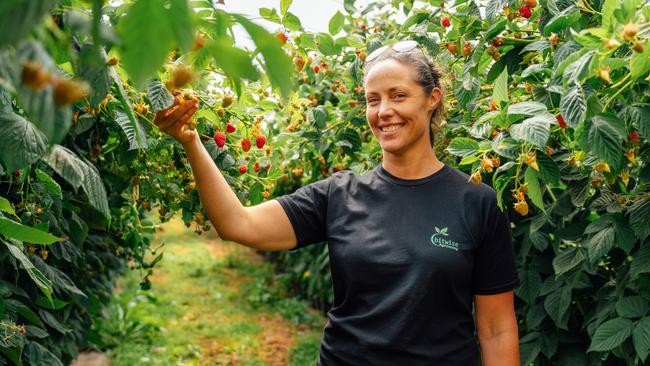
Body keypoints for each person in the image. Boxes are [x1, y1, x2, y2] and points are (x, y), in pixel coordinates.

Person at [153, 40, 519, 366]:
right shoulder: (339, 195)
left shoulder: (477, 203)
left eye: (399, 95)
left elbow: (496, 328)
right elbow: (238, 224)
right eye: (373, 100)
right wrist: (191, 143)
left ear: (432, 98)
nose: (384, 111)